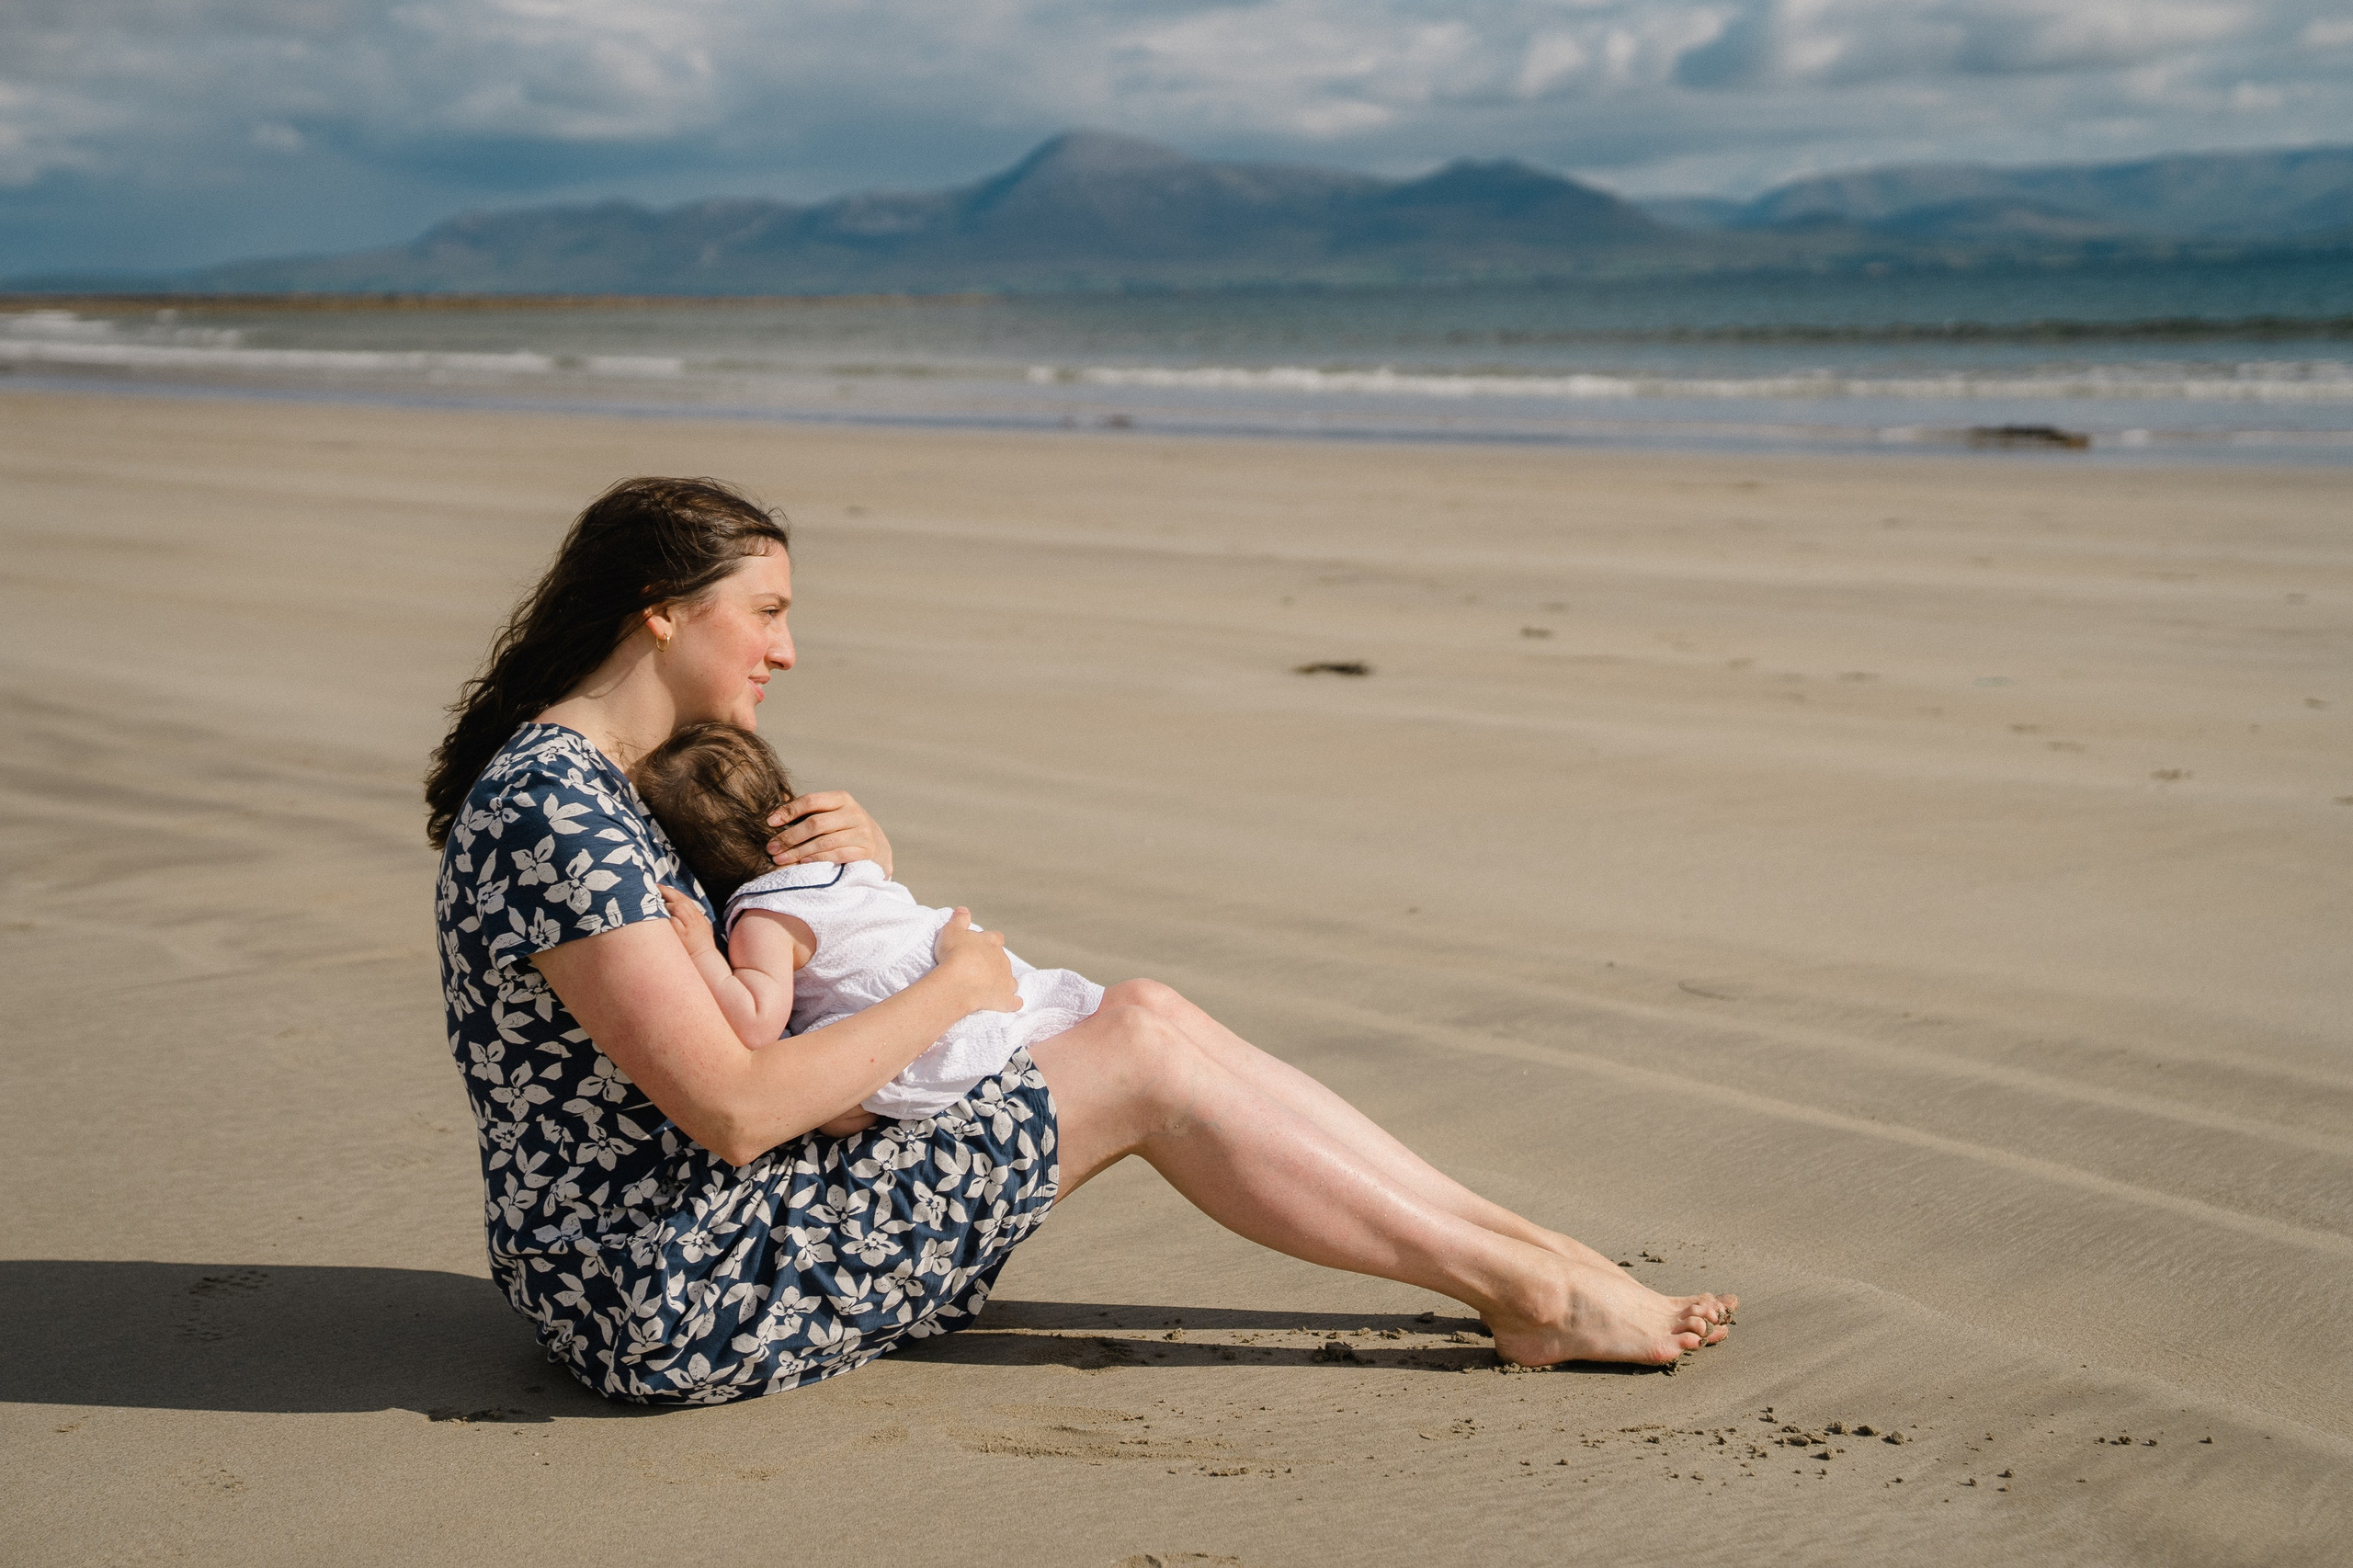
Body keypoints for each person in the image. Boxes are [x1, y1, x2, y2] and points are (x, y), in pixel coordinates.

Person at [425, 475, 1734, 1405]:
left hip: (711, 1234)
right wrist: (957, 985)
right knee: (1143, 1059)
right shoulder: (554, 807)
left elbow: (752, 989)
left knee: (1147, 1010)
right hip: (675, 1290)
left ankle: (1533, 1258)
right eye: (765, 611)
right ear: (660, 607)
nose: (789, 649)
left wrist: (846, 866)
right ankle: (1535, 1297)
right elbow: (733, 1107)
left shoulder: (606, 781)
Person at [630, 720, 1105, 1124]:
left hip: (910, 1016)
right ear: (786, 799)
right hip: (958, 956)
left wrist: (702, 952)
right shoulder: (843, 857)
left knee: (836, 1119)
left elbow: (756, 1023)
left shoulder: (765, 920)